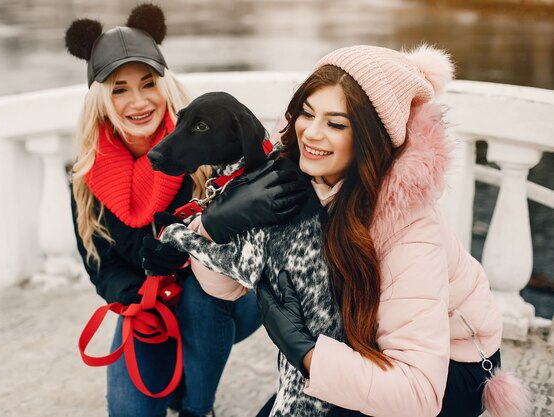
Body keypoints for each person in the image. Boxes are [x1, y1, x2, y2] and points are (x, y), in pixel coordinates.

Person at [180, 45, 527, 417]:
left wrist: (307, 353)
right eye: (306, 113)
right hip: (357, 346)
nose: (311, 134)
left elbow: (419, 394)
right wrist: (215, 227)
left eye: (336, 123)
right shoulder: (290, 183)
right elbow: (227, 287)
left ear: (369, 137)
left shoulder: (408, 227)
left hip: (449, 370)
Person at [65, 4, 305, 417]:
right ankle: (179, 378)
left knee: (201, 287)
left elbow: (254, 236)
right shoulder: (86, 175)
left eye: (148, 83)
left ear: (165, 85)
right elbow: (101, 268)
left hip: (222, 300)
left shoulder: (207, 146)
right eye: (119, 88)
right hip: (149, 309)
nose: (138, 101)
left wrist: (206, 231)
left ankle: (198, 408)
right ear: (101, 99)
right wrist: (140, 299)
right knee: (130, 412)